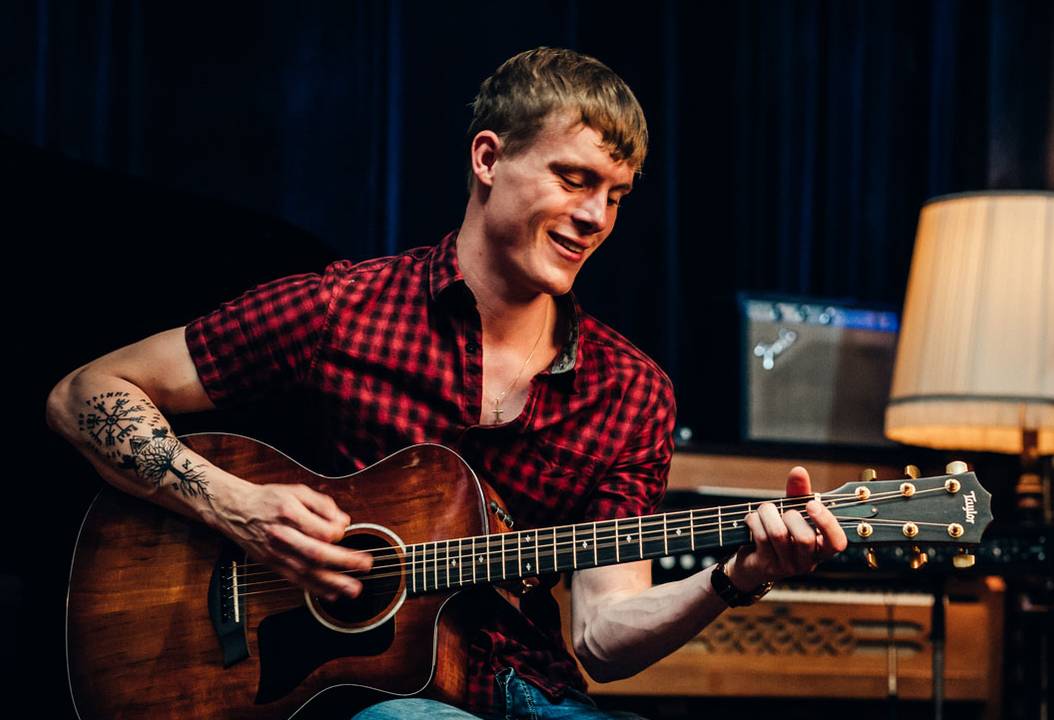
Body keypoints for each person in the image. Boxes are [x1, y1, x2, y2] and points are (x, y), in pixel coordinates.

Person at [46, 47, 848, 719]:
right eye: (574, 179)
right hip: (359, 694)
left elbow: (604, 636)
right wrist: (238, 505)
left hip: (533, 693)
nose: (596, 217)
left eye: (616, 196)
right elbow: (85, 393)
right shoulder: (342, 310)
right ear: (489, 158)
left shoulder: (631, 390)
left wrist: (735, 577)